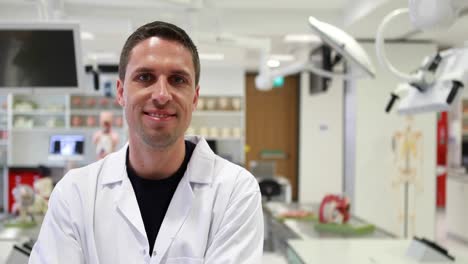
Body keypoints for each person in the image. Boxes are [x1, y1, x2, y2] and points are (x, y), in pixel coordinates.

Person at [29, 21, 263, 263]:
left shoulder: (235, 191)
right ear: (121, 92)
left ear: (194, 98)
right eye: (145, 77)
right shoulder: (74, 193)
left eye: (178, 79)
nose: (161, 94)